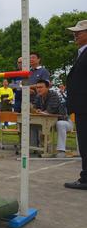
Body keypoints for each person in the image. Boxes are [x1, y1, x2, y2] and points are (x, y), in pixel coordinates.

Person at [64, 20, 87, 189]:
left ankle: (85, 179)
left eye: (79, 32)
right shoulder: (81, 53)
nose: (75, 35)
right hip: (80, 106)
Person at [32, 80, 73, 158]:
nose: (38, 89)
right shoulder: (38, 96)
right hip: (49, 122)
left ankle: (61, 151)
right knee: (33, 123)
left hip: (65, 121)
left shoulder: (53, 95)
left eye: (41, 87)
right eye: (37, 87)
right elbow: (34, 108)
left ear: (48, 88)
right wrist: (36, 110)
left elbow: (49, 111)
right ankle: (40, 148)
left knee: (60, 124)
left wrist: (39, 111)